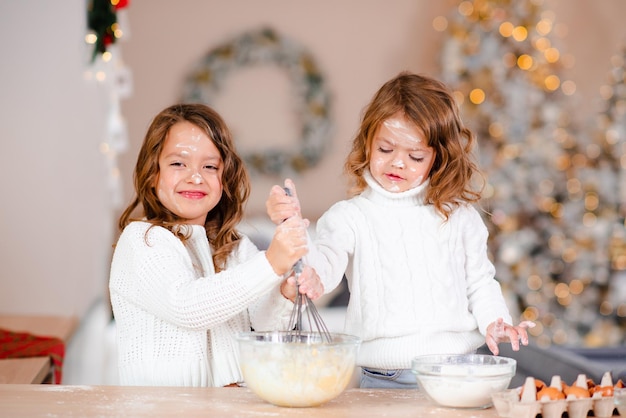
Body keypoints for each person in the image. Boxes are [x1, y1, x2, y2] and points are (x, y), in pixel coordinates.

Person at [266, 72, 534, 389]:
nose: (398, 163)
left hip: (457, 373)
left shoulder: (461, 217)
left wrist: (495, 321)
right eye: (385, 150)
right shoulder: (350, 217)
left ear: (438, 158)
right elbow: (325, 263)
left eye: (415, 156)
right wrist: (310, 275)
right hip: (386, 378)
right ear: (368, 143)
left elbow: (480, 282)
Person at [109, 103, 323, 387]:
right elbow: (187, 306)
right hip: (163, 409)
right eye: (178, 163)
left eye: (210, 166)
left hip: (230, 406)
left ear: (224, 179)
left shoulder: (234, 246)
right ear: (152, 174)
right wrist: (271, 263)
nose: (195, 177)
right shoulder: (141, 240)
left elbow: (263, 325)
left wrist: (285, 293)